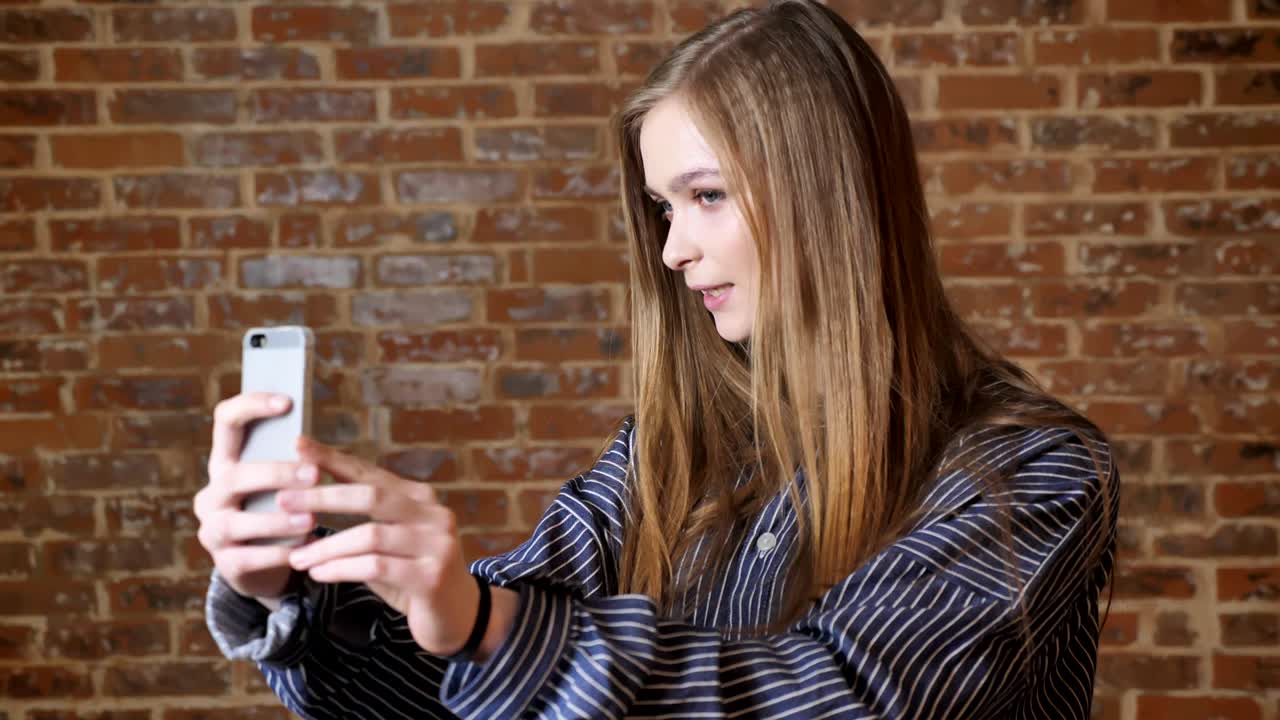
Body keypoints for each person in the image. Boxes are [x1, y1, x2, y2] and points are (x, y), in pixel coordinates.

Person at [197, 1, 1118, 717]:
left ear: (826, 196)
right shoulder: (664, 455)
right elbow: (471, 692)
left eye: (707, 195)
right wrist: (296, 592)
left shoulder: (1030, 472)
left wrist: (488, 627)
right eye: (663, 209)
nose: (672, 250)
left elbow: (844, 695)